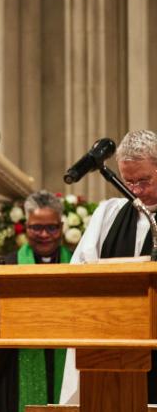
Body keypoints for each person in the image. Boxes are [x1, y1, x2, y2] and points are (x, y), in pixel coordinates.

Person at [60, 129, 157, 404]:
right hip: (116, 345)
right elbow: (80, 273)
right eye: (128, 181)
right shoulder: (109, 214)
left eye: (144, 180)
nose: (135, 190)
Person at [0, 191, 72, 412]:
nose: (44, 234)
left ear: (61, 227)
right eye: (36, 227)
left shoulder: (79, 265)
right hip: (17, 367)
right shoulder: (4, 269)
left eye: (51, 227)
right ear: (26, 226)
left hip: (69, 362)